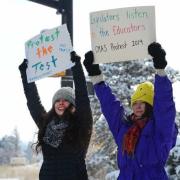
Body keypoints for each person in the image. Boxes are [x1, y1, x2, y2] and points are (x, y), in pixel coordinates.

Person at [83, 42, 178, 180]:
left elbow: (164, 106)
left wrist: (160, 69)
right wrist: (96, 78)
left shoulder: (161, 130)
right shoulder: (124, 128)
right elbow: (111, 107)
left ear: (151, 106)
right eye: (135, 103)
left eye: (143, 103)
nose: (138, 106)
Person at [19, 52, 93, 180]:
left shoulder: (81, 124)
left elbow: (82, 95)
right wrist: (25, 74)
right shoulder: (46, 124)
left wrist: (76, 65)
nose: (61, 103)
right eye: (58, 101)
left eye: (66, 100)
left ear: (73, 106)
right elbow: (33, 102)